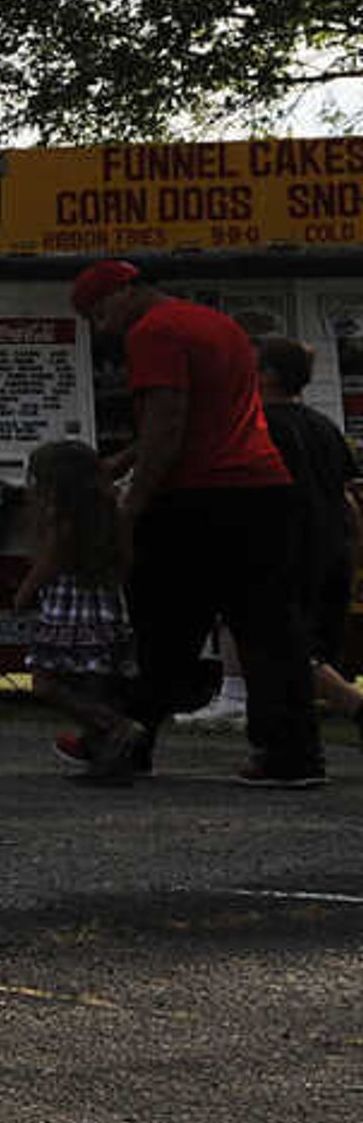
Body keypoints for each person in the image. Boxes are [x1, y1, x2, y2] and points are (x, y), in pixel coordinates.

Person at [70, 263, 320, 786]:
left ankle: (122, 739)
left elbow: (168, 424)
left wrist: (132, 501)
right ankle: (291, 755)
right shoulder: (218, 325)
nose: (103, 327)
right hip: (264, 489)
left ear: (125, 291)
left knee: (163, 625)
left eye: (99, 311)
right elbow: (205, 414)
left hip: (198, 495)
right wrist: (119, 461)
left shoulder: (154, 333)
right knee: (269, 628)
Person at [10, 438, 145, 777]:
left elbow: (47, 567)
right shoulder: (111, 513)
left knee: (46, 683)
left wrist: (22, 597)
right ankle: (109, 758)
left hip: (68, 611)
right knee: (96, 686)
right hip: (105, 608)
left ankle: (114, 726)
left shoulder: (63, 521)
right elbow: (126, 561)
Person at [252, 336, 363, 741]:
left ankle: (345, 709)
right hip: (332, 544)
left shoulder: (262, 426)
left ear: (269, 376)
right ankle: (297, 738)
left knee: (282, 646)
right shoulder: (325, 427)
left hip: (287, 546)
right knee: (310, 645)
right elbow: (349, 497)